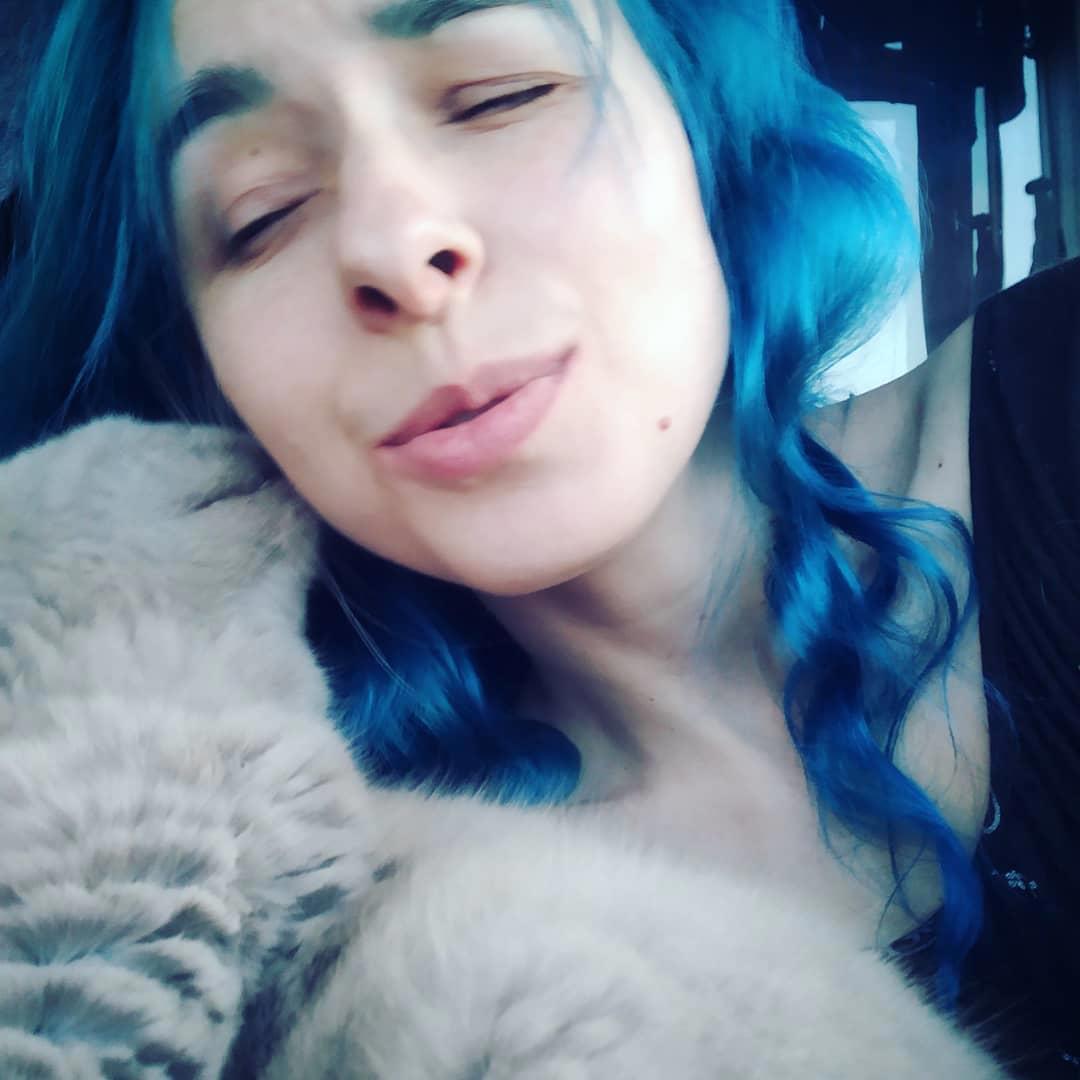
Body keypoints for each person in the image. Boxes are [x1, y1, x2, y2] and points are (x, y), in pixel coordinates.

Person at [0, 0, 1075, 1074]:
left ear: (706, 128)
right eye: (260, 211)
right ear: (207, 376)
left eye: (499, 95)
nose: (396, 247)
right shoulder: (317, 931)